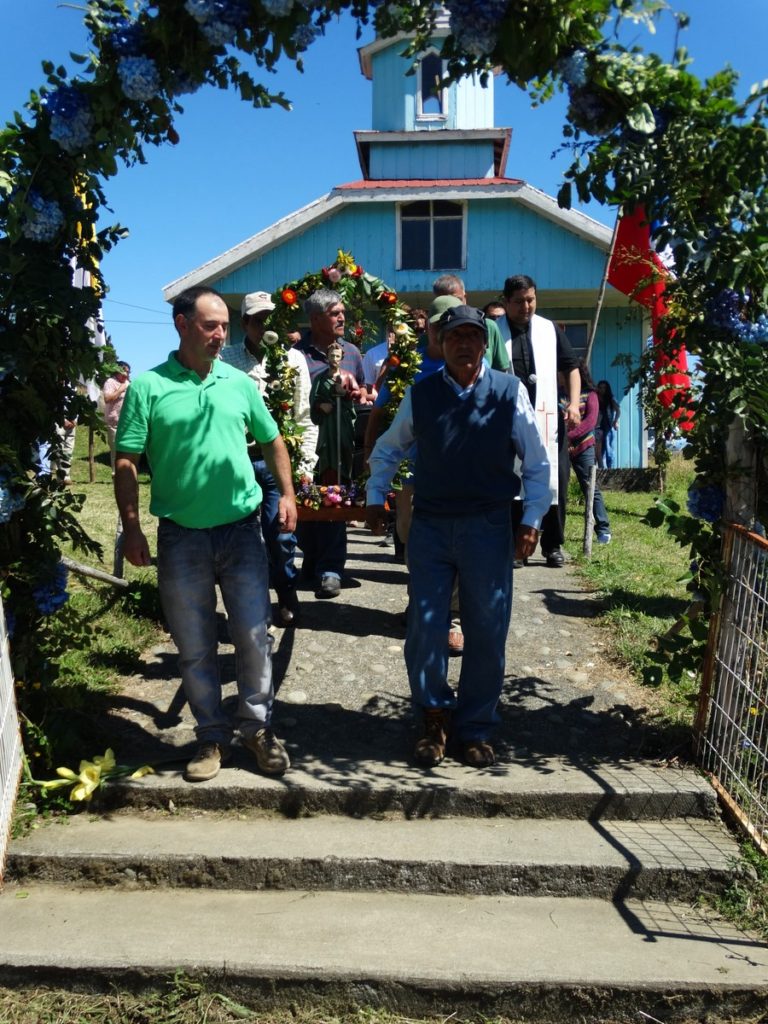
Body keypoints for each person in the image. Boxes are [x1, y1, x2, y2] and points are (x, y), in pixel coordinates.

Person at [114, 285, 296, 784]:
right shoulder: (148, 387)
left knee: (254, 636)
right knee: (193, 645)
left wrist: (289, 496)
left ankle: (257, 729)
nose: (221, 335)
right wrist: (133, 528)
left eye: (224, 327)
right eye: (211, 325)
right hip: (181, 537)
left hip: (241, 533)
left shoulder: (238, 384)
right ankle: (211, 736)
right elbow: (126, 459)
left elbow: (273, 438)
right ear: (182, 324)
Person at [366, 304, 551, 768]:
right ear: (440, 344)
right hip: (430, 525)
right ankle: (433, 718)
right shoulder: (422, 393)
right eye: (454, 337)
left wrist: (531, 520)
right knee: (425, 628)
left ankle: (475, 728)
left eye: (473, 336)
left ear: (485, 343)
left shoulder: (509, 392)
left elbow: (537, 462)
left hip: (487, 526)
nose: (464, 345)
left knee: (487, 630)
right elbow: (390, 447)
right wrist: (375, 495)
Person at [364, 294, 465, 652]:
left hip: (458, 475)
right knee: (414, 544)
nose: (442, 333)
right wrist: (371, 463)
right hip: (414, 473)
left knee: (454, 545)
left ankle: (451, 617)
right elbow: (379, 414)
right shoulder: (407, 364)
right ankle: (420, 602)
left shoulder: (469, 364)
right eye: (437, 327)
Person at [220, 290, 317, 627]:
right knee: (242, 536)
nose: (264, 326)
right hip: (240, 460)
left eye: (270, 319)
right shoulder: (227, 360)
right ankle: (251, 603)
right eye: (257, 320)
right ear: (245, 322)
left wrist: (305, 465)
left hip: (278, 461)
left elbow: (304, 416)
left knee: (280, 533)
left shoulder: (293, 360)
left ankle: (286, 591)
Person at [497, 274, 581, 568]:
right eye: (519, 301)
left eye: (531, 299)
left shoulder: (549, 330)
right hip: (508, 420)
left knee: (554, 480)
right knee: (512, 480)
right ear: (506, 302)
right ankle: (515, 544)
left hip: (547, 419)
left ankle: (552, 544)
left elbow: (572, 367)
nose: (526, 306)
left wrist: (573, 403)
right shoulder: (494, 331)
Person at [294, 288, 366, 599]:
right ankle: (311, 560)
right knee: (307, 497)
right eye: (335, 313)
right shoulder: (297, 352)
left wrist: (355, 392)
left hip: (339, 439)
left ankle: (331, 568)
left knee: (335, 495)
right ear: (315, 318)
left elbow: (362, 391)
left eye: (342, 312)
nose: (342, 318)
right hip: (305, 440)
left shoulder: (351, 351)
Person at [563, 363, 612, 544]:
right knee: (556, 487)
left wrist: (567, 437)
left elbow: (589, 422)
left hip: (584, 448)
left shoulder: (591, 395)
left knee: (590, 487)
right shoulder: (558, 395)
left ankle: (603, 527)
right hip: (561, 449)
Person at [311, 339, 366, 482]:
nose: (334, 359)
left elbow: (358, 393)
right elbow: (313, 398)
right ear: (327, 357)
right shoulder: (321, 378)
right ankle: (328, 485)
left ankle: (345, 484)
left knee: (344, 447)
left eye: (337, 356)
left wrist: (345, 393)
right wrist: (320, 406)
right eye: (331, 355)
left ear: (341, 358)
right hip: (328, 422)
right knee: (327, 450)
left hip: (343, 419)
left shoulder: (347, 376)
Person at [433, 274, 510, 372]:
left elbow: (501, 369)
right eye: (444, 301)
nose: (452, 306)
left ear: (465, 297)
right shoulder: (432, 330)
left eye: (456, 299)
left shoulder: (489, 326)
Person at [102, 361, 131, 473]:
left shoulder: (128, 383)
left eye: (128, 372)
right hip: (114, 422)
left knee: (127, 449)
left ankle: (126, 472)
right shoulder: (110, 382)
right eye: (123, 371)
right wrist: (121, 389)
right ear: (117, 371)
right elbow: (107, 399)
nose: (126, 374)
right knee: (115, 450)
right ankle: (116, 474)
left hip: (127, 422)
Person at [596, 379, 621, 468]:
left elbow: (618, 410)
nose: (602, 390)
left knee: (609, 450)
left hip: (608, 427)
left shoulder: (611, 398)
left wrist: (615, 421)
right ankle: (601, 471)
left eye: (604, 388)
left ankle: (610, 470)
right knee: (598, 452)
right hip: (597, 427)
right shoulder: (595, 398)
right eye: (600, 387)